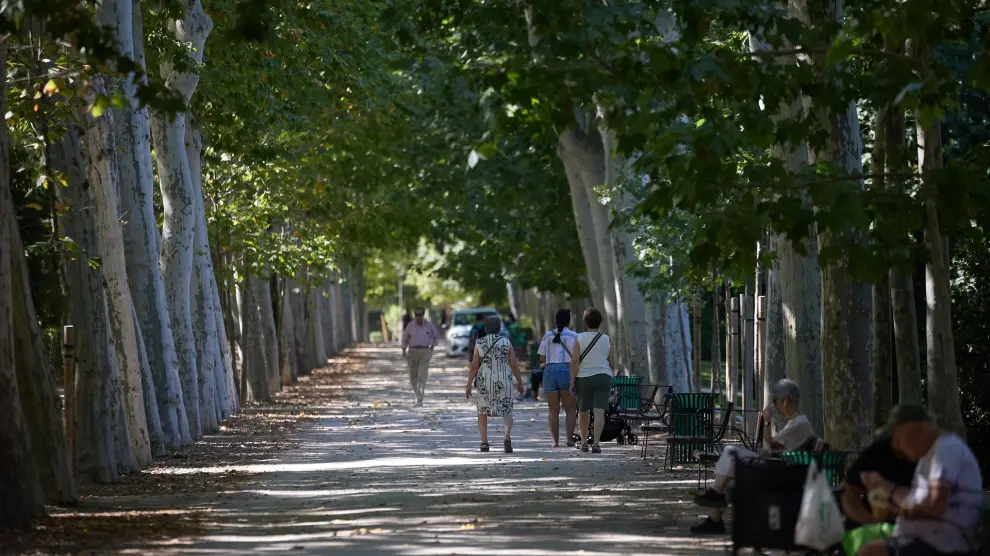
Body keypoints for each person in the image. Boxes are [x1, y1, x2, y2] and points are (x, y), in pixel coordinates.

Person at [690, 378, 814, 534]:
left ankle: (715, 492)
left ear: (786, 400)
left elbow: (769, 448)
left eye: (776, 401)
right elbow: (772, 449)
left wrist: (767, 422)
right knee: (730, 471)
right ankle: (715, 519)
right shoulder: (797, 422)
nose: (775, 406)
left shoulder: (799, 424)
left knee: (730, 452)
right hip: (779, 468)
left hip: (777, 472)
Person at [857, 404, 983, 556]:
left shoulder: (946, 449)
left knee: (870, 552)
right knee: (860, 540)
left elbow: (935, 507)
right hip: (926, 539)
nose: (896, 446)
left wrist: (891, 494)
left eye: (897, 438)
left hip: (942, 545)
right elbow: (921, 502)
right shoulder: (930, 454)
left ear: (916, 430)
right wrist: (894, 505)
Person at [836, 433, 919, 555]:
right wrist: (870, 522)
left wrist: (892, 495)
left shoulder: (933, 460)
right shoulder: (880, 451)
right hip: (870, 529)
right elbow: (849, 493)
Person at [466, 315, 524, 453]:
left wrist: (468, 384)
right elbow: (514, 364)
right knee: (507, 409)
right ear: (499, 328)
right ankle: (507, 436)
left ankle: (484, 443)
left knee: (482, 411)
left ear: (486, 328)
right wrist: (520, 382)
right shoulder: (506, 342)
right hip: (504, 379)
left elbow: (474, 366)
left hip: (484, 380)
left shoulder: (479, 343)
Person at [569, 307, 614, 454]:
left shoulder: (579, 338)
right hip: (602, 376)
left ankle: (583, 442)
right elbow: (611, 361)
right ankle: (596, 443)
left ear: (585, 322)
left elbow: (575, 361)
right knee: (599, 411)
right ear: (600, 322)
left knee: (583, 411)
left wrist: (572, 380)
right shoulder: (606, 339)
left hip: (583, 377)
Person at [537, 309, 578, 448]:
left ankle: (555, 441)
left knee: (553, 410)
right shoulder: (574, 336)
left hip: (549, 371)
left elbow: (541, 359)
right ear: (569, 321)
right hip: (567, 371)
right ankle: (569, 439)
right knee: (570, 409)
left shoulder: (548, 335)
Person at [401, 307, 439, 407]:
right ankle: (418, 395)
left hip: (425, 352)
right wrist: (403, 349)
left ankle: (420, 400)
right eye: (416, 315)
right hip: (412, 352)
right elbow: (405, 338)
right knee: (412, 377)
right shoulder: (410, 325)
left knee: (422, 376)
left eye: (420, 315)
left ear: (423, 315)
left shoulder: (429, 325)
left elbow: (436, 336)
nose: (418, 317)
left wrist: (432, 346)